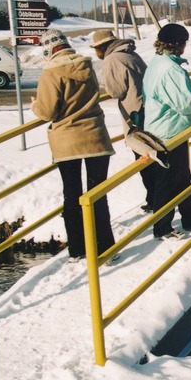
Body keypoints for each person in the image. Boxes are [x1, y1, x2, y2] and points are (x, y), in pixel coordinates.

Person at [31, 29, 116, 262]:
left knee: (72, 195)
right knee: (97, 194)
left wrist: (35, 105)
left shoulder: (51, 72)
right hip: (96, 138)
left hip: (68, 142)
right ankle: (106, 248)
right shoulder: (87, 66)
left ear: (49, 49)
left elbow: (47, 111)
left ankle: (78, 250)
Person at [142, 23, 191, 239]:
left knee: (180, 177)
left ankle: (190, 217)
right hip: (169, 131)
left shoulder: (157, 63)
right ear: (178, 44)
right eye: (185, 42)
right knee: (169, 180)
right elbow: (186, 103)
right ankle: (163, 227)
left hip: (162, 127)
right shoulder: (171, 69)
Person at [91, 29, 153, 212]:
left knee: (144, 159)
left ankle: (155, 200)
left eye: (96, 49)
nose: (96, 53)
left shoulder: (112, 60)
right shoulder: (131, 54)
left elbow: (116, 91)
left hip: (134, 115)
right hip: (148, 111)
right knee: (152, 156)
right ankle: (156, 198)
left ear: (102, 47)